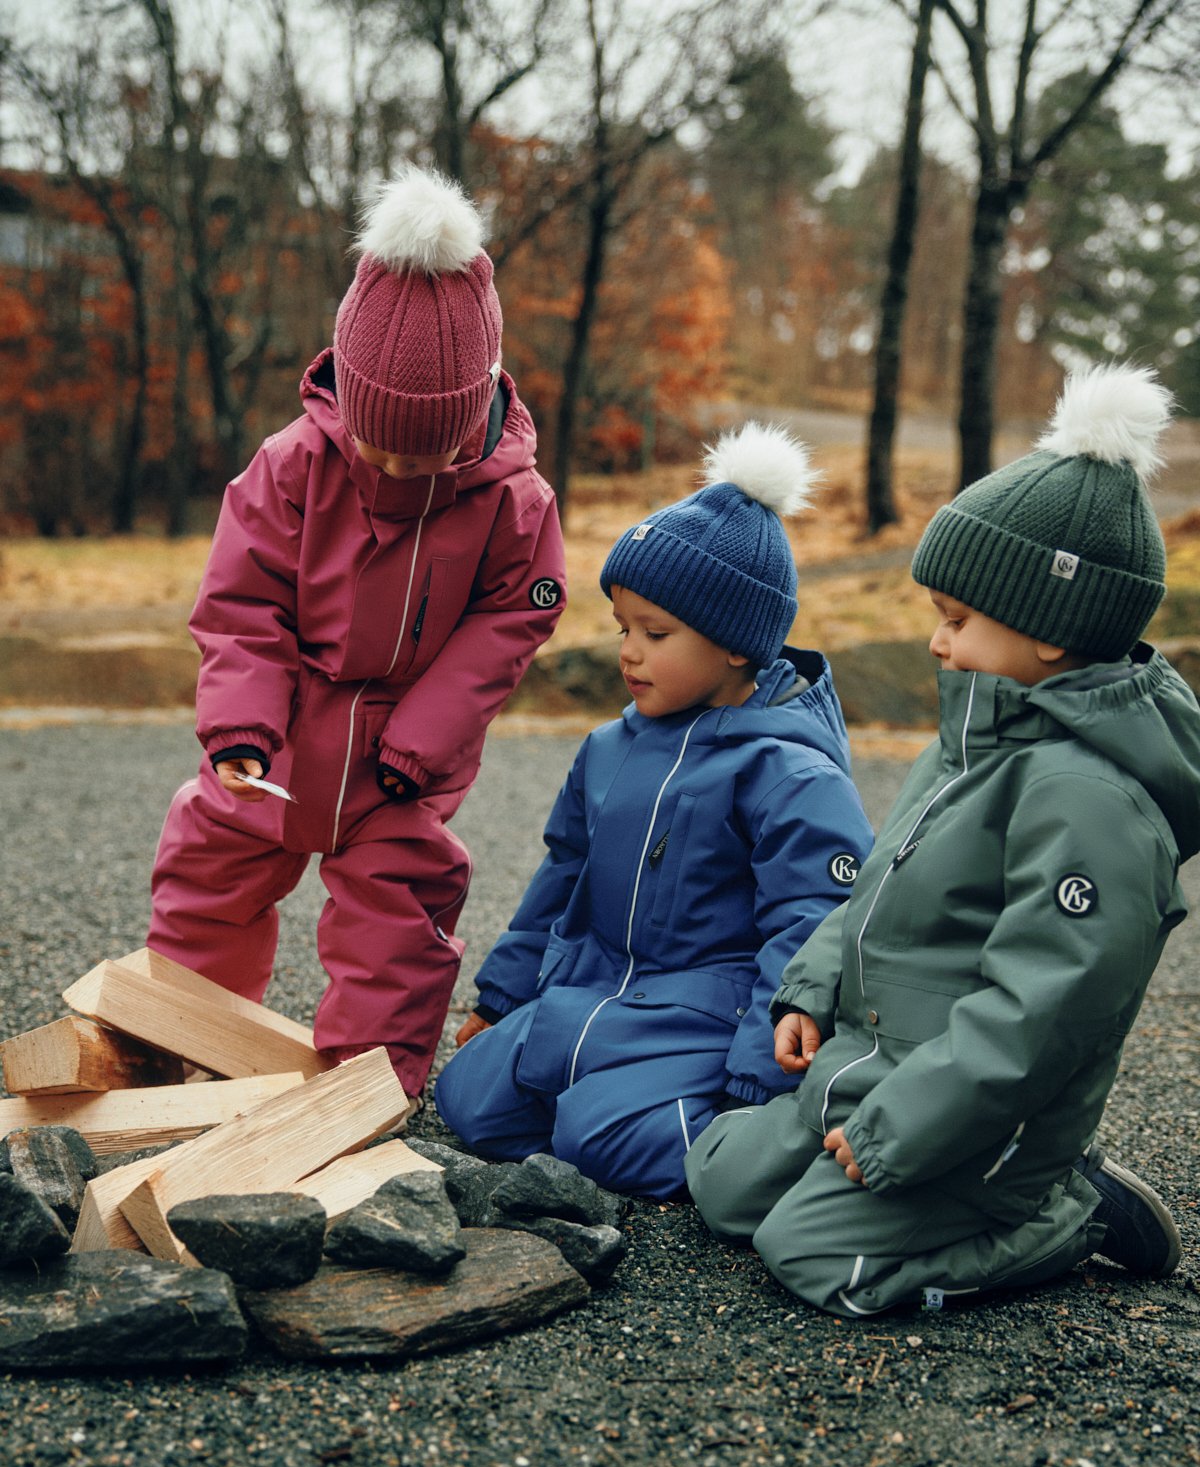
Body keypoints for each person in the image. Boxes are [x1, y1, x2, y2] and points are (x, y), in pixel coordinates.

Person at [686, 363, 1200, 1315]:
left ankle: (1064, 1211)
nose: (935, 642)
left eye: (958, 621)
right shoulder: (966, 746)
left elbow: (1041, 1014)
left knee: (814, 1259)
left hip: (981, 1122)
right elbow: (878, 887)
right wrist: (813, 984)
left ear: (1051, 633)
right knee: (720, 1186)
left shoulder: (1088, 799)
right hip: (873, 1065)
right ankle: (874, 1157)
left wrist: (903, 1131)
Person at [147, 165, 566, 1104]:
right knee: (210, 868)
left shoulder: (514, 504)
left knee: (400, 919)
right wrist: (243, 729)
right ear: (345, 402)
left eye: (423, 454)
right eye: (376, 445)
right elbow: (242, 603)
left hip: (397, 763)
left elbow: (515, 616)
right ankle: (183, 1039)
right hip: (287, 731)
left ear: (469, 421)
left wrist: (421, 742)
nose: (393, 466)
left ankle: (359, 1090)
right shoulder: (291, 467)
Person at [434, 422, 874, 1197]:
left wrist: (754, 1070)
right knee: (468, 1101)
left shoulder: (788, 771)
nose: (627, 652)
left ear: (738, 643)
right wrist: (502, 997)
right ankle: (610, 1100)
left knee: (605, 1142)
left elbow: (814, 927)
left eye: (655, 632)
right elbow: (560, 878)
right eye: (621, 628)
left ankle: (784, 1145)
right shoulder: (610, 748)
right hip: (600, 993)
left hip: (707, 1014)